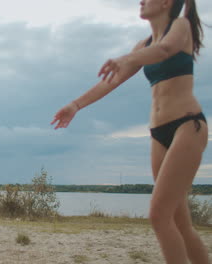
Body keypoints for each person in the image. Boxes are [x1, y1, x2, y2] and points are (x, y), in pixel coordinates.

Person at [51, 0, 210, 263]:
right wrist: (75, 105)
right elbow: (111, 81)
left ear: (166, 2)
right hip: (159, 133)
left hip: (187, 126)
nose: (141, 1)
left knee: (159, 215)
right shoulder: (143, 45)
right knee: (180, 222)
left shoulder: (180, 26)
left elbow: (166, 50)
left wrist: (126, 57)